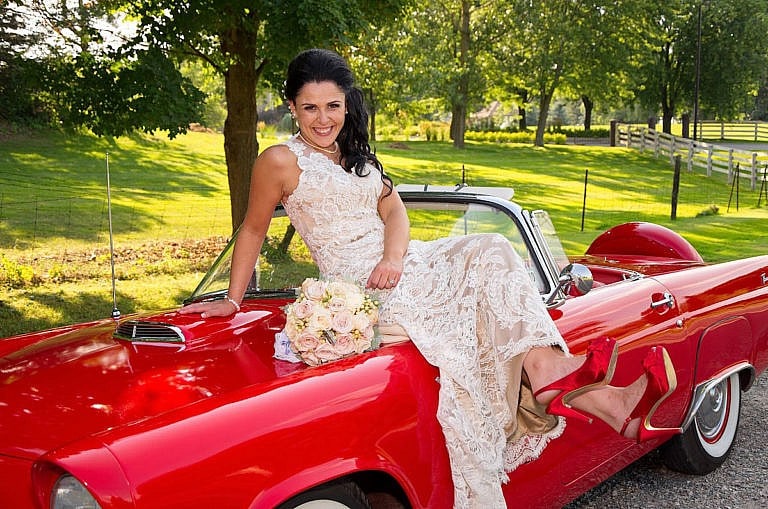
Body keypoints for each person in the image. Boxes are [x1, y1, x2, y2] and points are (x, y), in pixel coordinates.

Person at [180, 48, 678, 508]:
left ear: (346, 104)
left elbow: (395, 212)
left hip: (399, 265)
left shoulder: (356, 154)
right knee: (477, 290)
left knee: (493, 246)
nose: (323, 119)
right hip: (358, 286)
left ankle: (558, 378)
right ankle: (592, 397)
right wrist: (234, 298)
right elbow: (251, 228)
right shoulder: (281, 161)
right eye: (310, 108)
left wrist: (395, 258)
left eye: (333, 105)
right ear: (291, 106)